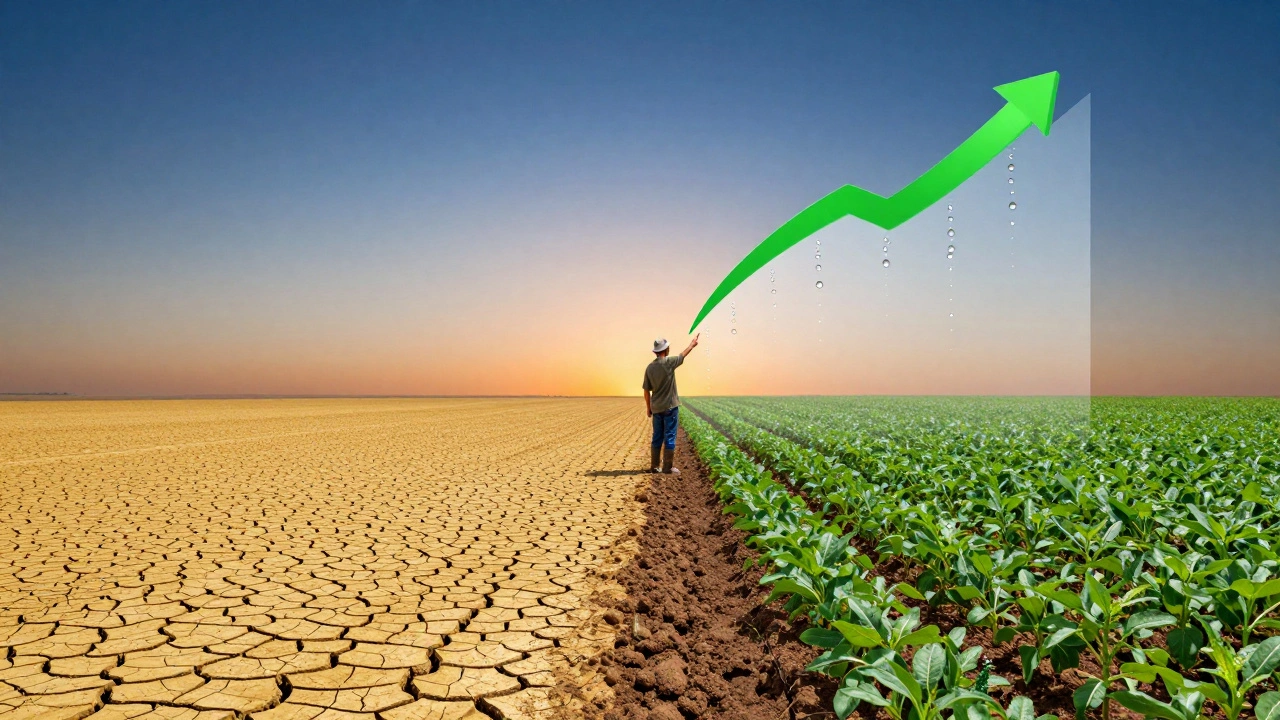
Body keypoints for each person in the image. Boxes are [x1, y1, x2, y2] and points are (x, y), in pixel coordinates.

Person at [643, 333, 699, 474]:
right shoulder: (669, 362)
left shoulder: (649, 368)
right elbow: (682, 355)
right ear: (665, 350)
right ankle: (667, 467)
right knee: (669, 436)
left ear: (656, 352)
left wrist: (649, 408)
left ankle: (654, 466)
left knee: (657, 436)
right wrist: (692, 344)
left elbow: (646, 391)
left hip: (656, 408)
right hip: (670, 407)